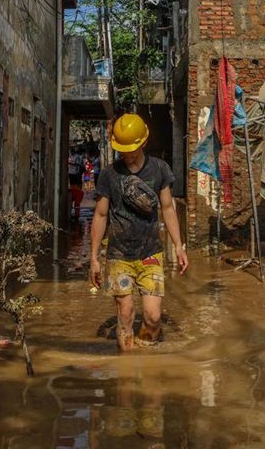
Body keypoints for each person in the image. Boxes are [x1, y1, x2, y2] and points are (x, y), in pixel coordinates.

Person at [90, 113, 189, 351]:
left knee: (153, 318)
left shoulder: (160, 170)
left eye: (130, 148)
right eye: (121, 149)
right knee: (125, 314)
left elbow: (167, 208)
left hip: (150, 254)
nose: (125, 153)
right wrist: (94, 258)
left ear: (144, 142)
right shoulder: (109, 174)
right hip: (118, 256)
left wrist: (178, 246)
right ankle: (127, 375)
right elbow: (101, 215)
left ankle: (143, 362)